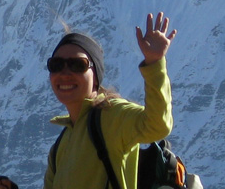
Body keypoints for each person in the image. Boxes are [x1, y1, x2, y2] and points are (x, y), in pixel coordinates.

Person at [43, 12, 176, 189]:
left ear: (96, 77)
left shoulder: (111, 116)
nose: (65, 73)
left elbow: (157, 125)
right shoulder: (60, 145)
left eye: (77, 65)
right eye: (56, 65)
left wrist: (154, 62)